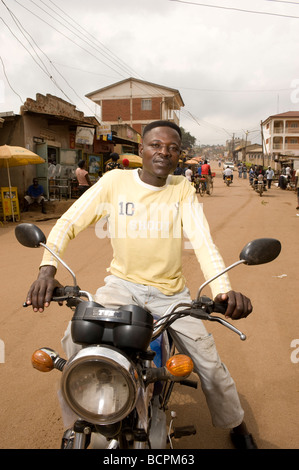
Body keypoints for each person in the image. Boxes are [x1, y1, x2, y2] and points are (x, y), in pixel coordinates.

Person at [26, 120, 256, 449]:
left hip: (171, 294)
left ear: (179, 155)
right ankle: (77, 426)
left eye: (172, 148)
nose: (164, 152)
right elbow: (69, 222)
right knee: (75, 345)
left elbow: (203, 243)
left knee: (210, 365)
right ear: (141, 149)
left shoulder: (182, 189)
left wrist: (222, 290)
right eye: (156, 145)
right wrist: (47, 270)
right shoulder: (114, 182)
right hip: (121, 286)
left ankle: (237, 424)